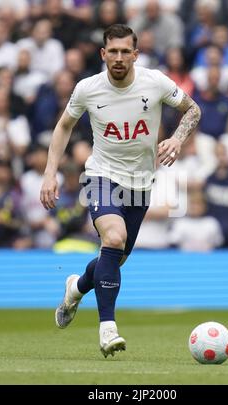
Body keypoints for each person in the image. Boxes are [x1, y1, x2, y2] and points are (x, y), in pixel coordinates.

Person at [40, 24, 201, 357]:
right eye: (112, 51)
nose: (118, 57)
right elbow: (64, 126)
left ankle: (76, 287)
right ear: (103, 54)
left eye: (125, 51)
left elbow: (193, 109)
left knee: (114, 258)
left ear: (135, 55)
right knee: (113, 239)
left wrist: (176, 138)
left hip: (140, 184)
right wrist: (50, 173)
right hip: (101, 176)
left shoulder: (154, 82)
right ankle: (107, 329)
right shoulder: (88, 88)